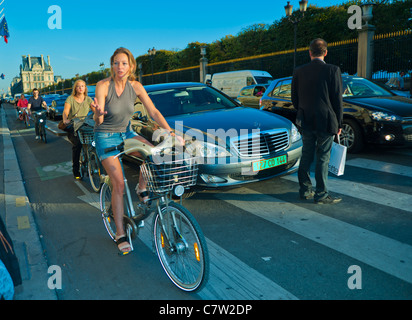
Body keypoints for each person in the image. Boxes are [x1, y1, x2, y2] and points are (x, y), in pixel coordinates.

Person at [93, 47, 178, 254]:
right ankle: (120, 232)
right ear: (111, 65)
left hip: (127, 133)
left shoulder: (136, 86)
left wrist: (170, 131)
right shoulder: (103, 85)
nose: (119, 67)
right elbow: (100, 119)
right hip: (105, 136)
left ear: (131, 66)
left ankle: (141, 187)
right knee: (119, 185)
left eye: (124, 63)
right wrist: (97, 114)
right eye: (116, 63)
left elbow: (154, 111)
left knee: (155, 154)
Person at [291, 38, 343, 205]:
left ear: (310, 52)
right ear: (326, 52)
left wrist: (303, 111)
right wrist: (339, 124)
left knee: (306, 155)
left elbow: (294, 98)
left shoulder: (299, 71)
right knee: (323, 158)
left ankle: (305, 190)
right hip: (326, 121)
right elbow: (337, 100)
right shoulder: (333, 70)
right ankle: (321, 194)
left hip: (305, 119)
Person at [62, 80, 95, 180]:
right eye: (78, 86)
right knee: (77, 145)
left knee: (94, 142)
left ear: (85, 88)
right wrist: (65, 119)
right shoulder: (70, 99)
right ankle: (76, 170)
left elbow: (95, 111)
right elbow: (65, 111)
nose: (81, 88)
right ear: (75, 88)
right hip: (74, 125)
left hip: (85, 124)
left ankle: (92, 159)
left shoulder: (88, 99)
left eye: (83, 86)